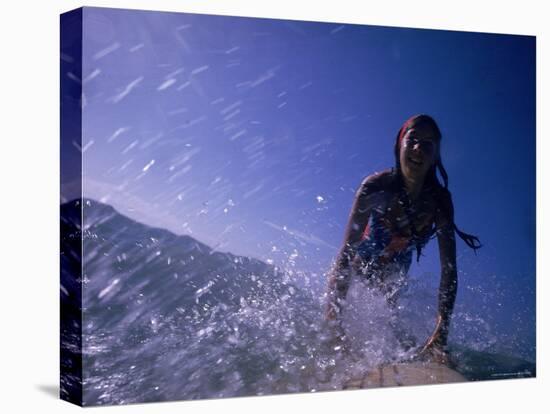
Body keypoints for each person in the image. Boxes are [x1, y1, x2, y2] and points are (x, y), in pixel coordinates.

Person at [325, 114, 481, 363]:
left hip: (400, 260)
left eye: (428, 143)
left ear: (435, 156)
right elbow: (345, 253)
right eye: (413, 139)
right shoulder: (375, 187)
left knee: (387, 311)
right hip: (365, 256)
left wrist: (441, 333)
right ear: (400, 145)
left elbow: (449, 270)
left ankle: (399, 352)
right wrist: (334, 326)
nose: (419, 148)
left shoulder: (439, 202)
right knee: (357, 287)